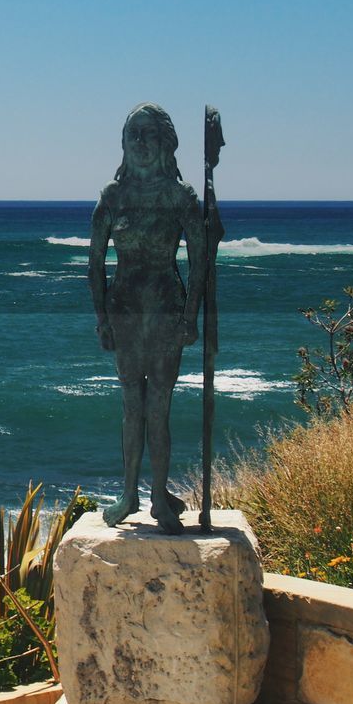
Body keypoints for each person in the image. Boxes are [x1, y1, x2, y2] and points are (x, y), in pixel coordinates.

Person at [88, 104, 206, 535]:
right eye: (133, 134)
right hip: (124, 310)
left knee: (159, 406)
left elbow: (200, 261)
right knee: (131, 405)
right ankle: (129, 494)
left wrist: (191, 316)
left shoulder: (181, 197)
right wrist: (102, 318)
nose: (140, 143)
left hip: (166, 308)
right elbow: (95, 261)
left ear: (165, 143)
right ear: (123, 142)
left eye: (148, 134)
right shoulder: (112, 195)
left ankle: (159, 497)